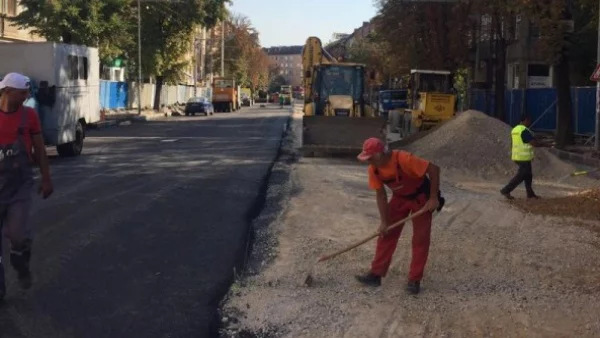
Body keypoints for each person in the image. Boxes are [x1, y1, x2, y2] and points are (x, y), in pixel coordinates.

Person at [355, 138, 443, 295]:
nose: (368, 161)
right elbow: (381, 195)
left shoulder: (404, 158)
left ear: (381, 154)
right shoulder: (374, 170)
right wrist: (384, 222)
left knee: (420, 240)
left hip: (420, 199)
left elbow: (434, 169)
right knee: (386, 234)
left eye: (370, 157)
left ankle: (414, 280)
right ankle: (376, 275)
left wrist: (433, 198)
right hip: (399, 199)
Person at [0, 72, 53, 302]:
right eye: (23, 93)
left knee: (17, 235)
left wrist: (46, 177)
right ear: (8, 91)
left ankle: (20, 255)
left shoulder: (29, 115)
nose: (27, 96)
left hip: (19, 185)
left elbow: (40, 149)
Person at [500, 115, 546, 200]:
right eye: (529, 120)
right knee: (521, 175)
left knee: (528, 175)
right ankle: (506, 190)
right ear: (525, 120)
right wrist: (544, 144)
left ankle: (530, 194)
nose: (530, 122)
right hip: (523, 157)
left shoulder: (515, 129)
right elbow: (533, 143)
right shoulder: (524, 130)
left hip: (518, 155)